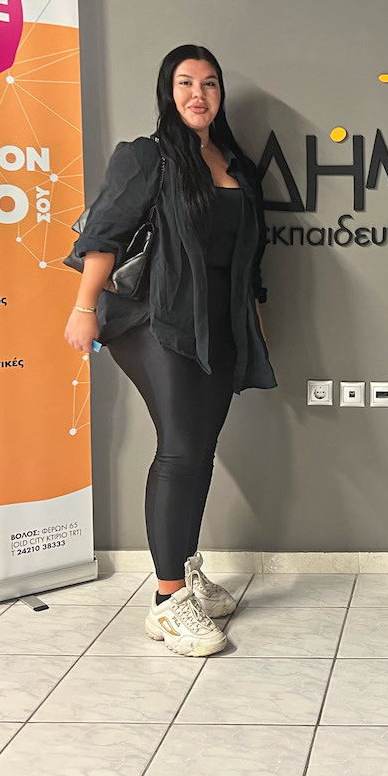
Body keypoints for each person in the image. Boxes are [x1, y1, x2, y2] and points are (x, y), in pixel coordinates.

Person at [64, 44, 276, 657]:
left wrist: (253, 318)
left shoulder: (235, 162)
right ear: (168, 91)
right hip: (155, 319)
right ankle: (167, 600)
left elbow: (249, 253)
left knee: (199, 451)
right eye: (185, 83)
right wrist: (84, 306)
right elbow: (105, 234)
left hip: (218, 322)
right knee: (181, 449)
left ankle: (184, 568)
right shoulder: (146, 155)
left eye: (209, 84)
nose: (198, 95)